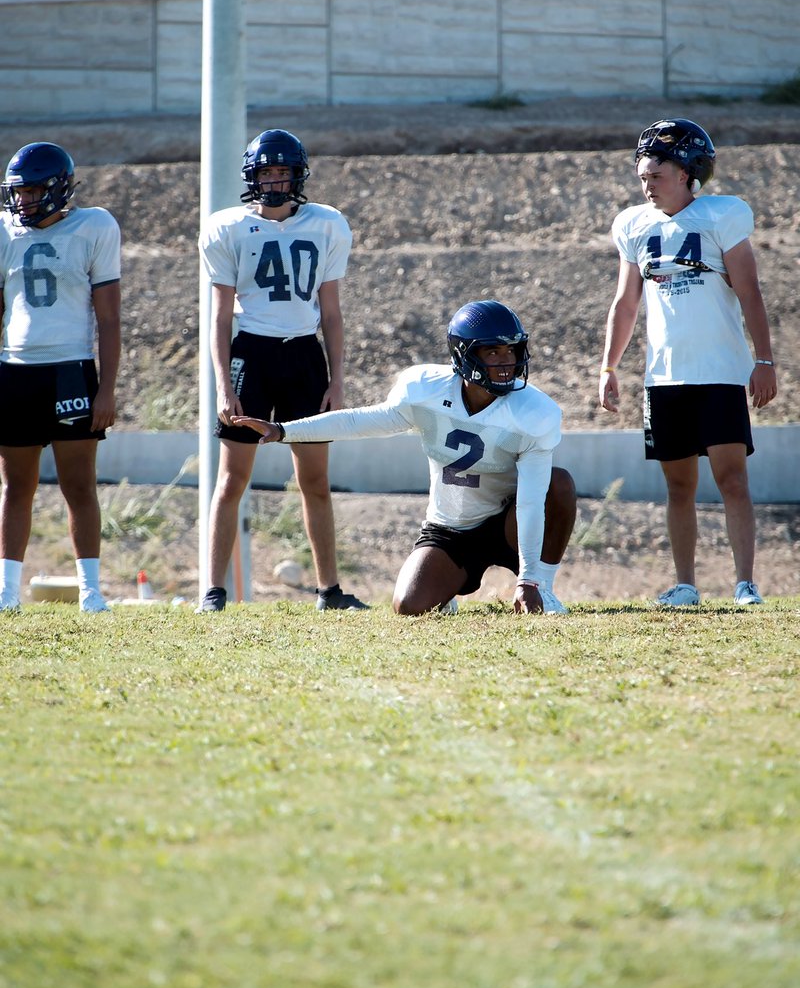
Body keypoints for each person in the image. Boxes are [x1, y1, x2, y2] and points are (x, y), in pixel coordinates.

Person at [232, 299, 577, 616]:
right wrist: (283, 430)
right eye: (493, 351)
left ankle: (545, 588)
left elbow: (531, 501)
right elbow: (358, 422)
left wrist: (530, 580)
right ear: (464, 355)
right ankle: (447, 590)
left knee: (557, 483)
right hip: (452, 527)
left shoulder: (534, 411)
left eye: (511, 350)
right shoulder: (426, 391)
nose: (506, 362)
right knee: (409, 606)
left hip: (508, 518)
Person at [599, 117, 778, 607]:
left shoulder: (722, 216)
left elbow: (750, 292)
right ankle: (685, 584)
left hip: (719, 371)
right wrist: (609, 368)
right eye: (642, 177)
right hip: (665, 376)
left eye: (656, 176)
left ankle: (745, 583)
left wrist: (764, 359)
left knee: (732, 480)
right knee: (679, 486)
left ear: (685, 173)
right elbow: (625, 304)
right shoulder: (634, 225)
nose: (647, 186)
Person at [198, 127, 366, 613]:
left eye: (282, 172)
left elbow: (331, 312)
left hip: (304, 357)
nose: (274, 181)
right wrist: (223, 385)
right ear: (253, 177)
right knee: (232, 479)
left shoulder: (326, 223)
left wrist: (337, 379)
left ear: (298, 176)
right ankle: (212, 591)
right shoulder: (227, 227)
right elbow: (220, 317)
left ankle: (329, 591)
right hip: (251, 354)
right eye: (266, 172)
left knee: (315, 480)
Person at [0, 142, 121, 613]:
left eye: (33, 191)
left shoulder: (94, 226)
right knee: (16, 486)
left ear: (57, 189)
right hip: (15, 369)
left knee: (79, 485)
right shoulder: (6, 231)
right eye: (19, 192)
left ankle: (90, 590)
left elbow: (109, 319)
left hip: (71, 369)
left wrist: (106, 388)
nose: (24, 201)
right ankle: (7, 592)